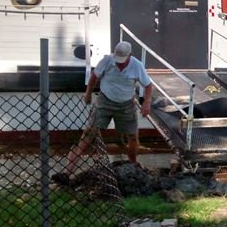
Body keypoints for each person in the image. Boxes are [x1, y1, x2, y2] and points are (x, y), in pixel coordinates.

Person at [54, 41, 153, 183]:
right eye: (117, 59)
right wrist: (88, 94)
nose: (119, 63)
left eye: (122, 61)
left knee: (132, 137)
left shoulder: (137, 66)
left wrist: (147, 103)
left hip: (126, 105)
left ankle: (133, 166)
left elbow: (148, 86)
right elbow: (94, 76)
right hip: (104, 102)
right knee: (87, 136)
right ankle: (67, 172)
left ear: (129, 56)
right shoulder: (107, 61)